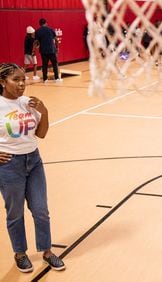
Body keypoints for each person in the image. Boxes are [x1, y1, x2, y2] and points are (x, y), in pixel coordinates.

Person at [0, 63, 65, 273]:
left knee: (41, 210)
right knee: (15, 213)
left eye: (23, 79)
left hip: (34, 161)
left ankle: (46, 251)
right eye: (15, 80)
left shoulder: (29, 103)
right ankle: (20, 254)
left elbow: (42, 134)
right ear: (2, 82)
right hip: (9, 165)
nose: (21, 84)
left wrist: (44, 111)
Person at [35, 18, 62, 83]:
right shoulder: (50, 29)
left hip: (43, 51)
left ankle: (45, 79)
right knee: (54, 64)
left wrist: (36, 47)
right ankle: (57, 78)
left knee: (44, 65)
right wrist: (57, 48)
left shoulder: (38, 31)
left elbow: (36, 42)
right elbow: (56, 40)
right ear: (46, 23)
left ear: (40, 24)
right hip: (51, 50)